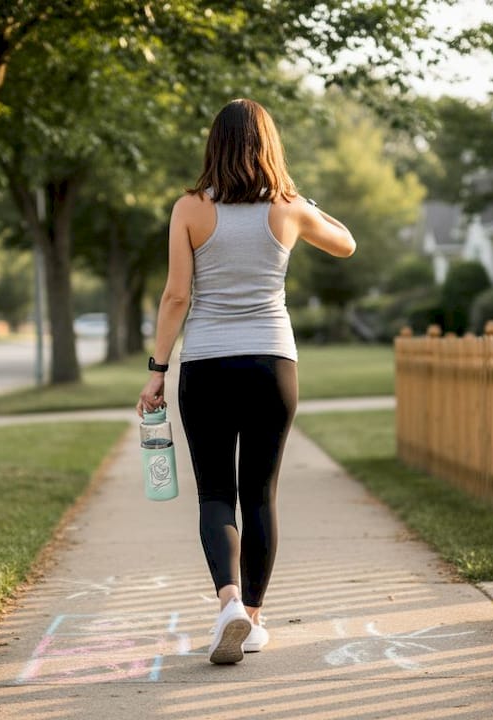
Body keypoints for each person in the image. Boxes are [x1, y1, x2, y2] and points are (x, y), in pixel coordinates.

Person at [136, 98, 356, 665]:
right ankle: (254, 620)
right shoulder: (289, 209)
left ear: (215, 146)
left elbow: (176, 296)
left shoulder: (189, 208)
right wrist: (303, 199)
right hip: (271, 366)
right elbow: (346, 243)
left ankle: (229, 601)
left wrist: (157, 371)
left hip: (207, 365)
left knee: (215, 492)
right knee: (260, 493)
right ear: (270, 147)